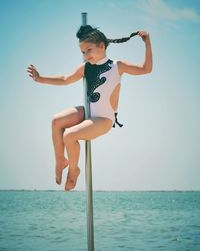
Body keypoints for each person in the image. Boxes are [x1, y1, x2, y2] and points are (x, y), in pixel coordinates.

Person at [27, 25, 152, 191]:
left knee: (70, 135)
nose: (85, 55)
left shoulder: (117, 66)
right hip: (88, 111)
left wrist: (147, 43)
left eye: (88, 50)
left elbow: (146, 69)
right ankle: (60, 160)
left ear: (102, 46)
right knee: (56, 121)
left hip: (103, 118)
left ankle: (74, 170)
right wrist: (40, 78)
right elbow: (65, 79)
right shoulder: (85, 68)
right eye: (83, 52)